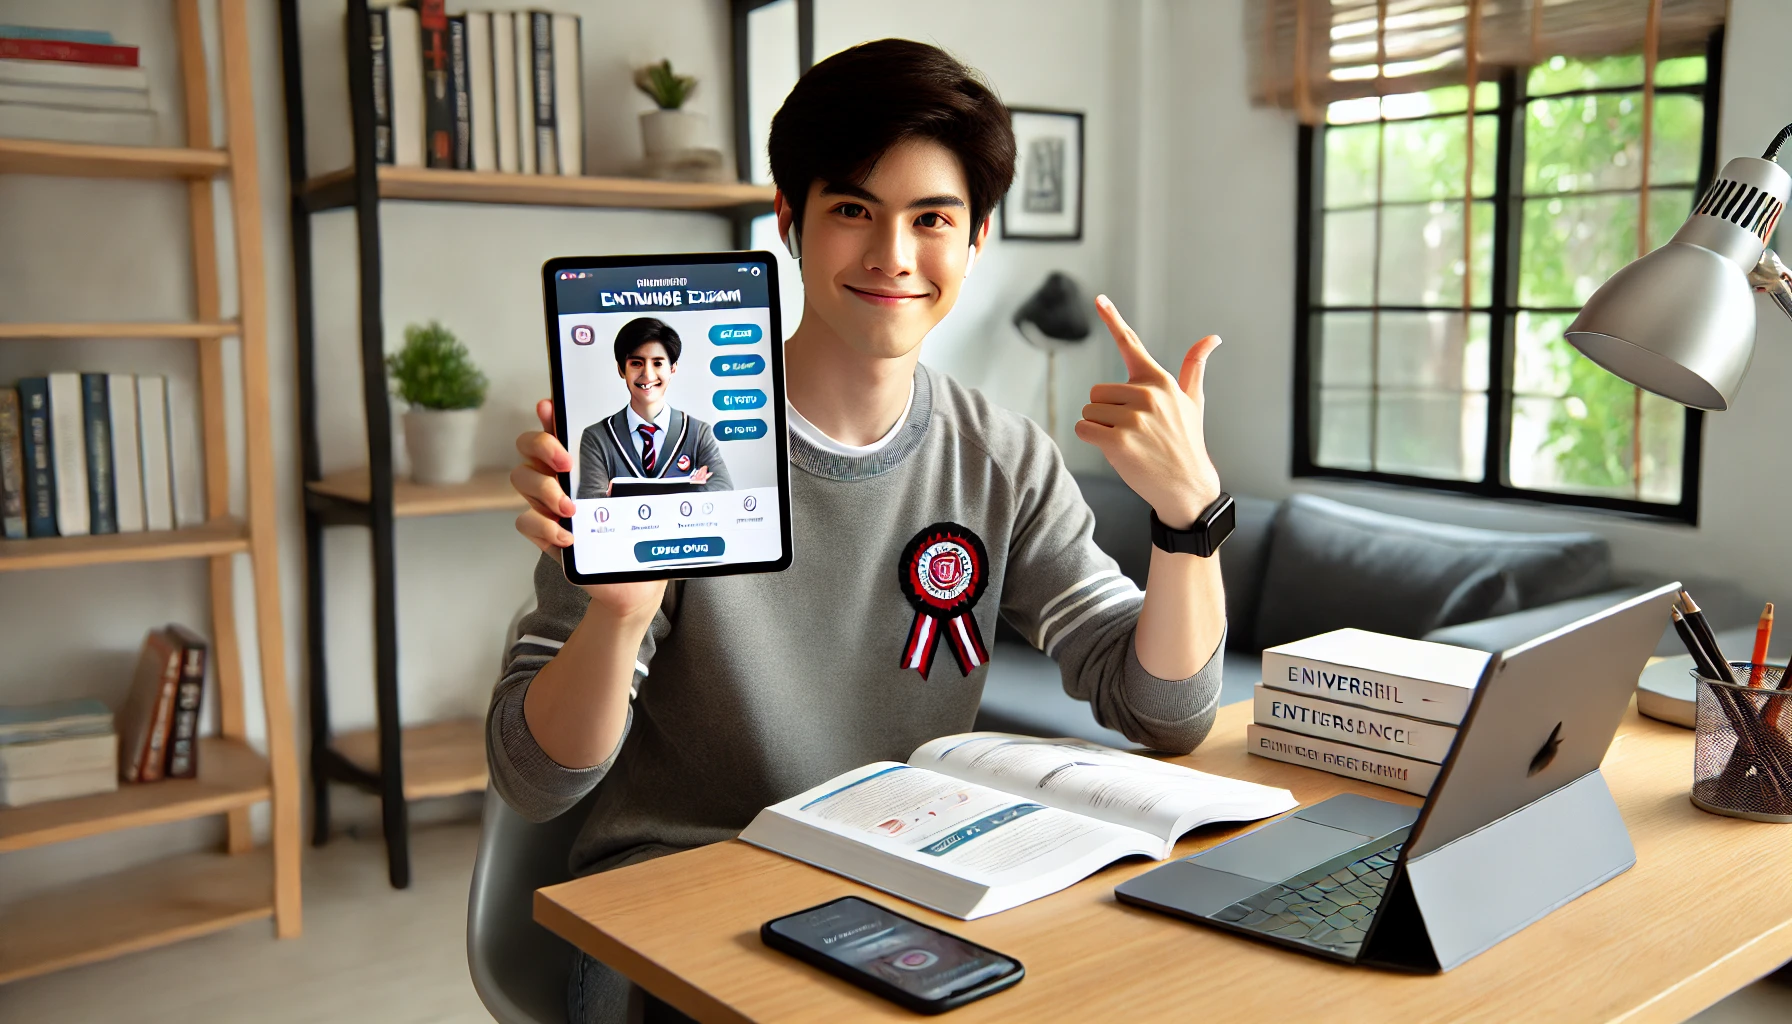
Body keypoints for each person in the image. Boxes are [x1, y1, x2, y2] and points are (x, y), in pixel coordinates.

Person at [492, 38, 1229, 1024]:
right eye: (852, 211)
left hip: (897, 899)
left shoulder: (1002, 455)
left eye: (932, 218)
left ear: (976, 240)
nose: (892, 256)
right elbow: (533, 780)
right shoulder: (655, 454)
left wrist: (1188, 521)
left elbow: (1165, 710)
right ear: (789, 223)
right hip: (676, 908)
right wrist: (617, 615)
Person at [575, 317, 732, 498]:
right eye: (636, 363)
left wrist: (619, 497)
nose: (648, 375)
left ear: (672, 368)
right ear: (620, 369)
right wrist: (690, 488)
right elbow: (592, 503)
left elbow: (723, 490)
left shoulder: (698, 432)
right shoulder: (597, 437)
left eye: (657, 363)